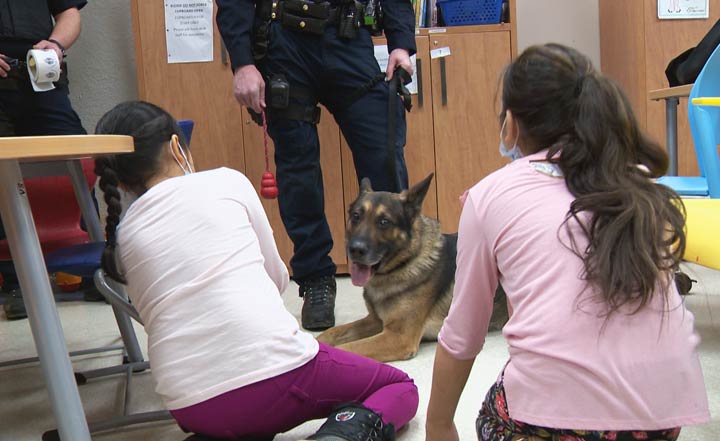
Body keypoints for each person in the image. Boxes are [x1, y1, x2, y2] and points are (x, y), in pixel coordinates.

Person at [425, 44, 709, 441]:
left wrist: (439, 424)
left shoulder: (490, 195)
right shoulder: (639, 184)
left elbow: (463, 334)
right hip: (659, 420)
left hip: (554, 426)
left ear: (511, 124)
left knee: (494, 413)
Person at [94, 101, 419, 441]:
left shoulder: (125, 235)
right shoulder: (226, 182)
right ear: (177, 147)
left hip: (189, 405)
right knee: (399, 387)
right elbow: (277, 279)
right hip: (279, 374)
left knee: (246, 414)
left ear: (122, 181)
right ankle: (338, 436)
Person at [215, 0, 416, 331]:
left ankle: (397, 271)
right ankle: (317, 281)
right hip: (283, 44)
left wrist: (401, 43)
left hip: (348, 38)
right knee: (299, 172)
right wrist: (242, 63)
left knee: (384, 155)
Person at [0, 0, 89, 320]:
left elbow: (69, 13)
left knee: (79, 160)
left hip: (40, 71)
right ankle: (15, 282)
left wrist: (55, 43)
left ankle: (91, 266)